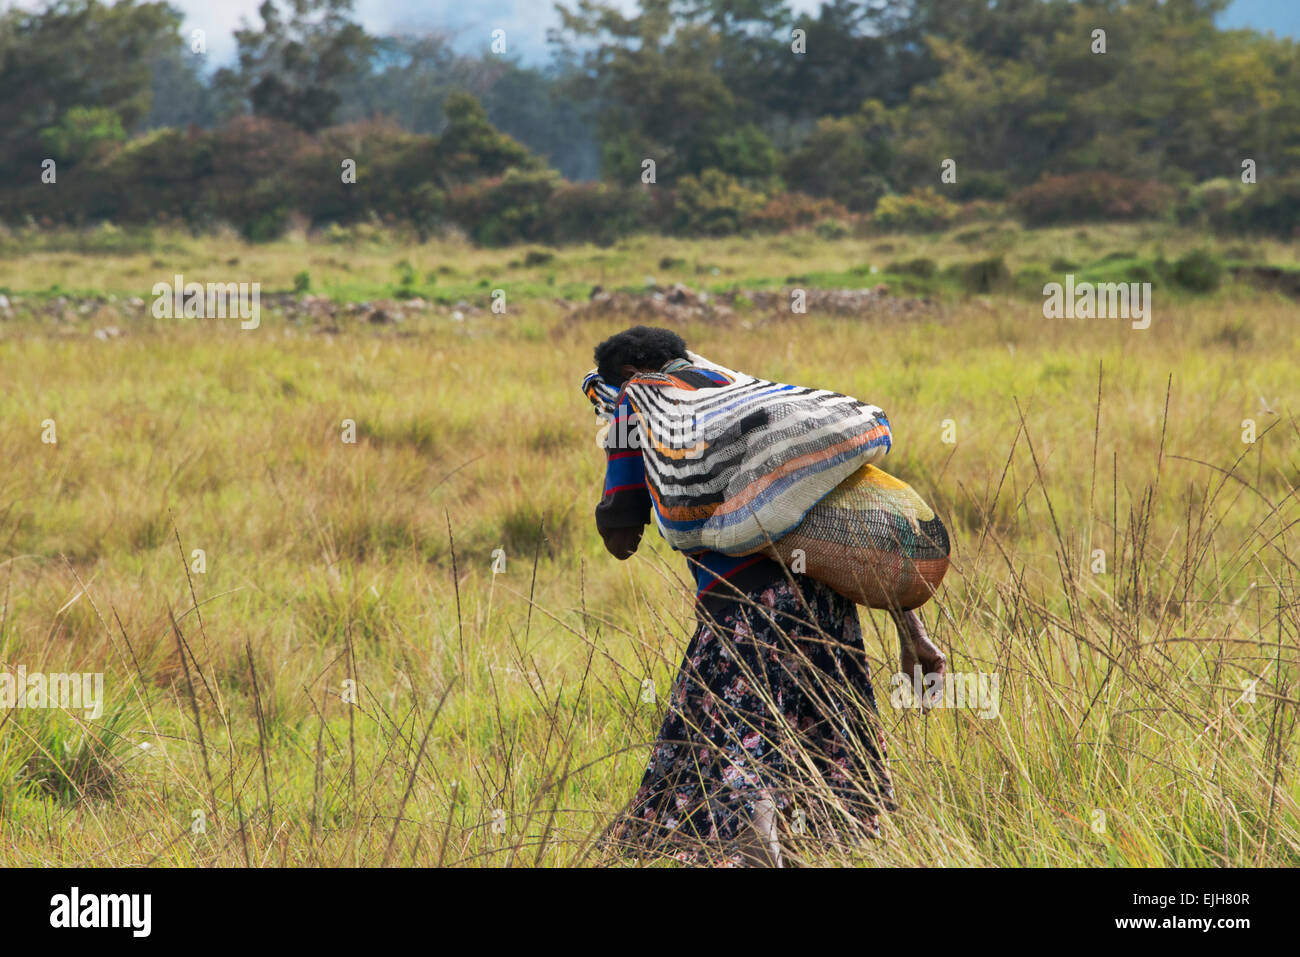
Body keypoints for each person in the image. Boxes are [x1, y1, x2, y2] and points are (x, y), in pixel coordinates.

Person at [589, 326, 944, 866]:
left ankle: (758, 850)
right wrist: (914, 633)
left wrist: (613, 491)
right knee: (812, 744)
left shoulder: (639, 407)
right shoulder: (745, 398)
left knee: (740, 747)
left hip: (742, 608)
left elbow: (621, 536)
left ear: (630, 380)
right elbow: (853, 522)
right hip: (827, 608)